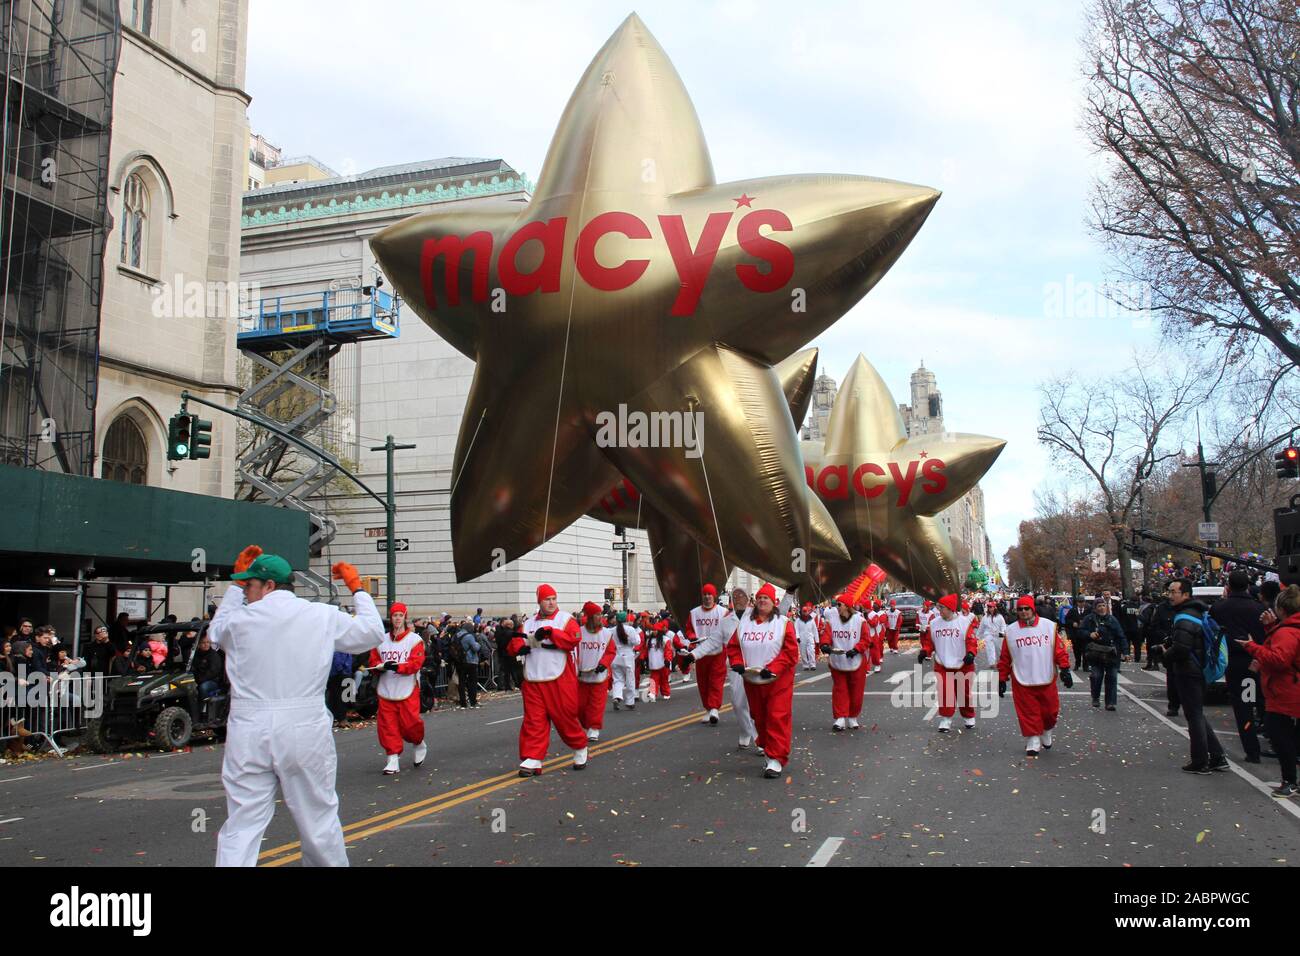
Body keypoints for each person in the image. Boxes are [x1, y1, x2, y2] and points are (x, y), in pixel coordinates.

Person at [208, 547, 384, 867]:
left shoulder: (240, 620)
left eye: (249, 586)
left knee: (243, 822)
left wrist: (233, 592)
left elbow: (215, 632)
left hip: (249, 726)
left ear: (269, 586)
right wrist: (358, 590)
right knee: (317, 819)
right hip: (303, 725)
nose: (246, 591)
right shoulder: (319, 615)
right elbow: (371, 633)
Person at [507, 584, 589, 776]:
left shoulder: (565, 619)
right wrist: (519, 647)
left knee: (564, 717)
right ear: (539, 601)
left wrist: (552, 633)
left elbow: (573, 639)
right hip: (533, 678)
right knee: (533, 720)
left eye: (553, 598)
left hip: (559, 677)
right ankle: (533, 757)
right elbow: (516, 641)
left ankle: (580, 746)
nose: (551, 603)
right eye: (547, 599)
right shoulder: (528, 623)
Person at [725, 583, 798, 778]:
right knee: (760, 717)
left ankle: (776, 758)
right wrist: (738, 663)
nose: (762, 601)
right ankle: (768, 748)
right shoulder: (745, 623)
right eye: (759, 598)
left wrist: (773, 669)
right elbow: (733, 647)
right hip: (753, 680)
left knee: (777, 716)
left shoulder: (783, 623)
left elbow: (790, 653)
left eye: (765, 598)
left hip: (777, 681)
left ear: (773, 602)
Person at [1237, 584, 1300, 797]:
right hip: (1289, 688)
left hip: (1285, 692)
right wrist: (1271, 628)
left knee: (1281, 738)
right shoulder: (1289, 629)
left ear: (1282, 608)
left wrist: (1253, 647)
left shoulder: (1287, 632)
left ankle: (1290, 781)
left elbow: (1279, 659)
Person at [1160, 577, 1228, 774]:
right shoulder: (1197, 612)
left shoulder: (1185, 617)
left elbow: (1181, 648)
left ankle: (1200, 761)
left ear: (1186, 594)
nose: (1170, 595)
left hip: (1188, 671)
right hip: (1197, 669)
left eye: (1174, 592)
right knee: (1196, 713)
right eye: (1169, 591)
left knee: (1194, 716)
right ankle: (1217, 756)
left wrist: (1166, 654)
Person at [998, 595, 1073, 756]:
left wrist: (1065, 669)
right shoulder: (1011, 631)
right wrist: (1002, 678)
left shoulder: (1048, 626)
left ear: (1032, 609)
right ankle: (1033, 739)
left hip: (1045, 675)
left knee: (1050, 712)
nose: (1023, 612)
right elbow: (1005, 657)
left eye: (1026, 608)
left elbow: (1059, 650)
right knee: (1027, 711)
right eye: (1020, 609)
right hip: (1022, 678)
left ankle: (1046, 730)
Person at [1211, 570, 1268, 764]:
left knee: (1244, 707)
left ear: (1228, 586)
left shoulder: (1219, 608)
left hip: (1234, 661)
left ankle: (1252, 750)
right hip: (1256, 659)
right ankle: (1272, 741)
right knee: (1259, 702)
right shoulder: (1258, 608)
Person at [369, 602, 427, 774]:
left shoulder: (415, 640)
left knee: (410, 725)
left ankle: (418, 742)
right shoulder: (381, 641)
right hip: (386, 689)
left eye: (400, 615)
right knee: (387, 726)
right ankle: (392, 757)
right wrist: (379, 666)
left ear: (405, 617)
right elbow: (373, 661)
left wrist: (398, 667)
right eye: (395, 615)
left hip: (407, 689)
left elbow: (416, 663)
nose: (397, 619)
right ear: (391, 617)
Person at [918, 594, 978, 732]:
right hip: (942, 663)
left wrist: (971, 653)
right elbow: (929, 642)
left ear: (951, 608)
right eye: (939, 607)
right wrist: (925, 651)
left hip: (963, 663)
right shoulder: (934, 623)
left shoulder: (964, 622)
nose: (939, 610)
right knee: (945, 692)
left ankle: (968, 716)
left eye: (942, 608)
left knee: (964, 692)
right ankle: (946, 719)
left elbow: (971, 641)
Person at [718, 586, 760, 749]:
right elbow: (715, 641)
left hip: (754, 664)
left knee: (755, 703)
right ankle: (745, 731)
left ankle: (758, 737)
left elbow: (781, 614)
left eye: (741, 595)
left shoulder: (757, 615)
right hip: (736, 668)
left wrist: (790, 594)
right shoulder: (726, 621)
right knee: (737, 702)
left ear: (748, 599)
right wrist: (694, 654)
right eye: (734, 596)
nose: (737, 598)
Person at [680, 584, 729, 724]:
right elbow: (689, 629)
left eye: (710, 594)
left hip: (718, 652)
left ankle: (714, 708)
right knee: (703, 681)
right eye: (705, 594)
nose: (707, 597)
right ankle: (708, 709)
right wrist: (692, 637)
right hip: (700, 652)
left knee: (716, 680)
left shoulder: (723, 612)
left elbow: (728, 630)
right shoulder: (694, 613)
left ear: (714, 596)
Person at [822, 593, 869, 731]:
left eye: (839, 604)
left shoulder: (860, 621)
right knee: (839, 689)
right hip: (838, 660)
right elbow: (827, 635)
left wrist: (856, 649)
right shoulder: (832, 620)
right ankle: (840, 718)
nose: (837, 607)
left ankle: (852, 716)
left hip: (856, 661)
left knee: (856, 690)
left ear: (847, 606)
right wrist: (824, 645)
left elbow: (866, 639)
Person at [575, 602, 616, 741]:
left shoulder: (606, 633)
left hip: (599, 675)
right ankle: (586, 725)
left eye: (600, 614)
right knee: (580, 705)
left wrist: (604, 664)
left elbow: (611, 652)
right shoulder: (579, 632)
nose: (600, 617)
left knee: (597, 704)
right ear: (590, 616)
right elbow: (573, 651)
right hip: (582, 675)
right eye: (597, 615)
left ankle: (594, 728)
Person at [1082, 599, 1125, 711]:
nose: (1102, 608)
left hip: (1111, 652)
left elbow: (1120, 635)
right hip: (1095, 653)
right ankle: (1095, 696)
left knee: (1112, 677)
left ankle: (1110, 702)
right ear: (1095, 608)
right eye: (1099, 606)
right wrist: (1089, 634)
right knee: (1096, 676)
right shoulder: (1089, 619)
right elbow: (1080, 632)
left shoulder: (1112, 619)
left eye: (1103, 605)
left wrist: (1125, 652)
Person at [608, 611, 642, 711]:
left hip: (616, 656)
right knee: (630, 679)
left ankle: (617, 697)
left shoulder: (611, 630)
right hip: (628, 656)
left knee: (617, 679)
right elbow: (636, 641)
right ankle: (630, 701)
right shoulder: (630, 629)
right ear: (627, 619)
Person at [641, 621, 674, 702]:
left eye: (656, 630)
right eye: (653, 630)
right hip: (653, 663)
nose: (654, 632)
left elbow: (668, 650)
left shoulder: (665, 640)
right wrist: (643, 658)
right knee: (653, 679)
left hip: (663, 663)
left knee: (664, 679)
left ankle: (666, 693)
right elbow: (645, 651)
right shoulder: (649, 640)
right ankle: (653, 693)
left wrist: (667, 659)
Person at [191, 633, 227, 700]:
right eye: (203, 643)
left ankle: (204, 707)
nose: (206, 644)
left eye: (208, 642)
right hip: (198, 679)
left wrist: (200, 680)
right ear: (198, 644)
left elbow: (213, 672)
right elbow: (193, 668)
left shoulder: (214, 655)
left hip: (213, 681)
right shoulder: (195, 655)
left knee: (203, 687)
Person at [794, 603, 820, 671]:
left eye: (806, 611)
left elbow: (815, 630)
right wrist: (797, 637)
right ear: (802, 612)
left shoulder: (811, 620)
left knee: (811, 651)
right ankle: (805, 665)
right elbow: (796, 629)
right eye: (804, 611)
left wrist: (817, 640)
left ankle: (812, 665)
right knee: (803, 652)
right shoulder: (798, 620)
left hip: (810, 637)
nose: (805, 612)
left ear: (808, 612)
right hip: (802, 638)